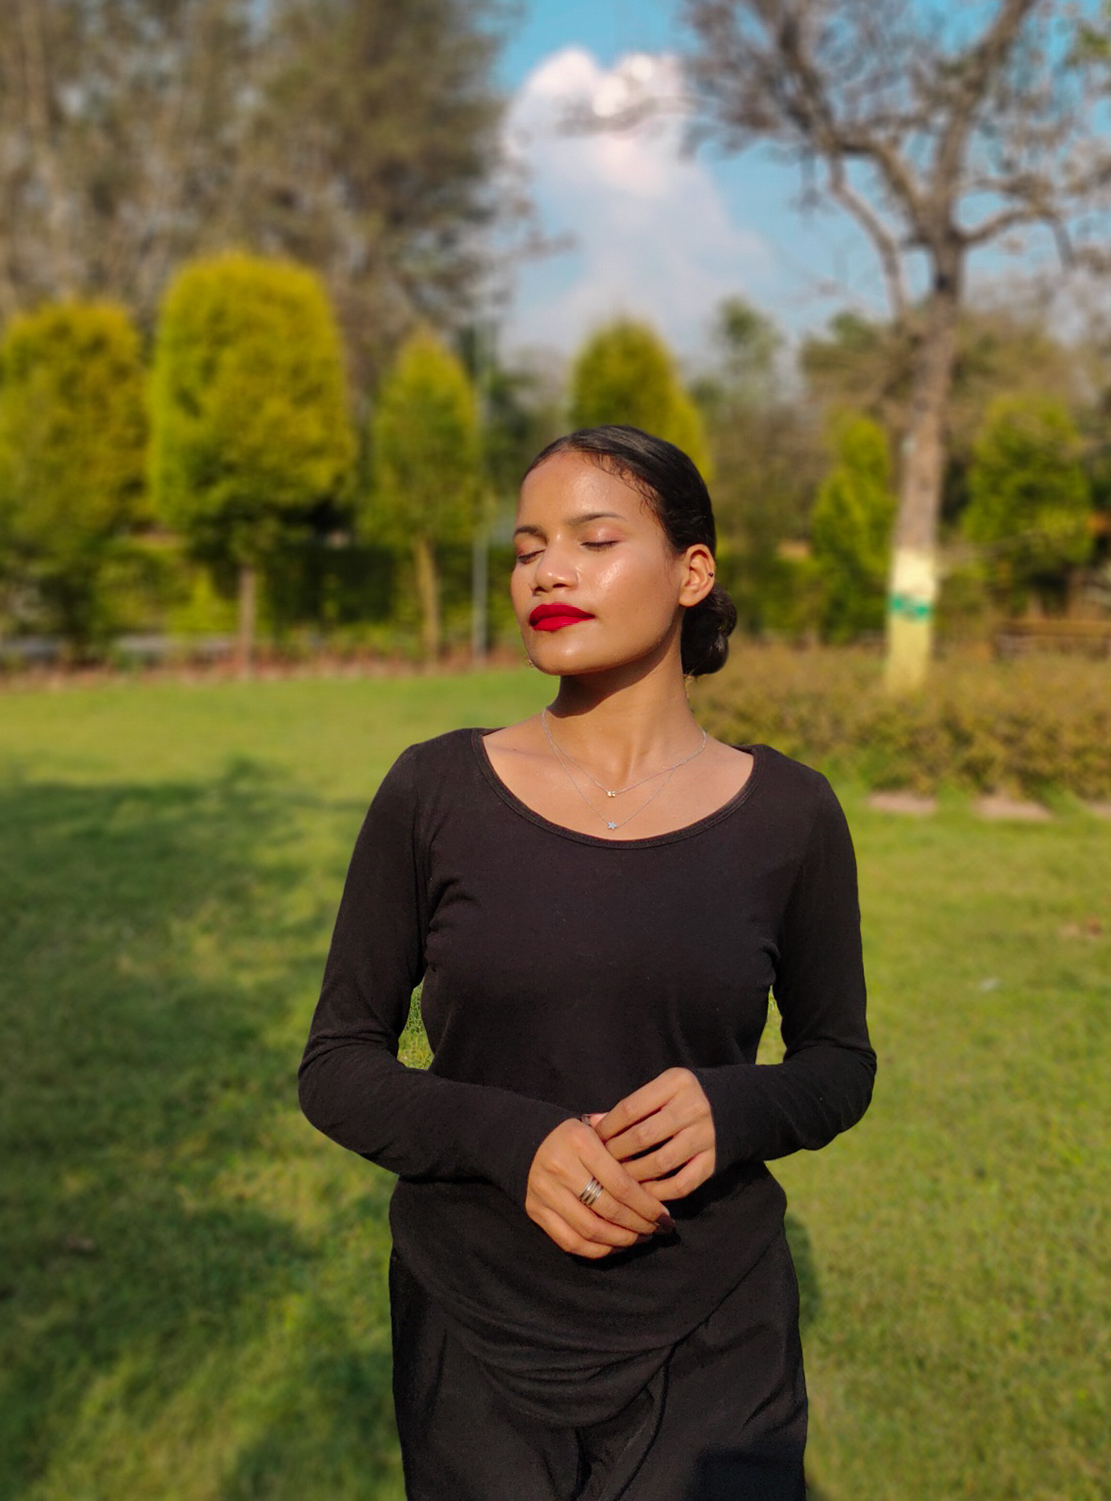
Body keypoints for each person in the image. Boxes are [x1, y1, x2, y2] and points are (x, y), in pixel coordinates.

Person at [298, 424, 875, 1500]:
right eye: (527, 550)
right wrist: (509, 1142)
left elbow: (840, 1063)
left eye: (594, 541)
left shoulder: (791, 814)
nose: (547, 573)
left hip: (714, 1332)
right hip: (475, 1331)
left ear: (692, 573)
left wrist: (733, 1106)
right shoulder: (434, 793)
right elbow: (336, 1064)